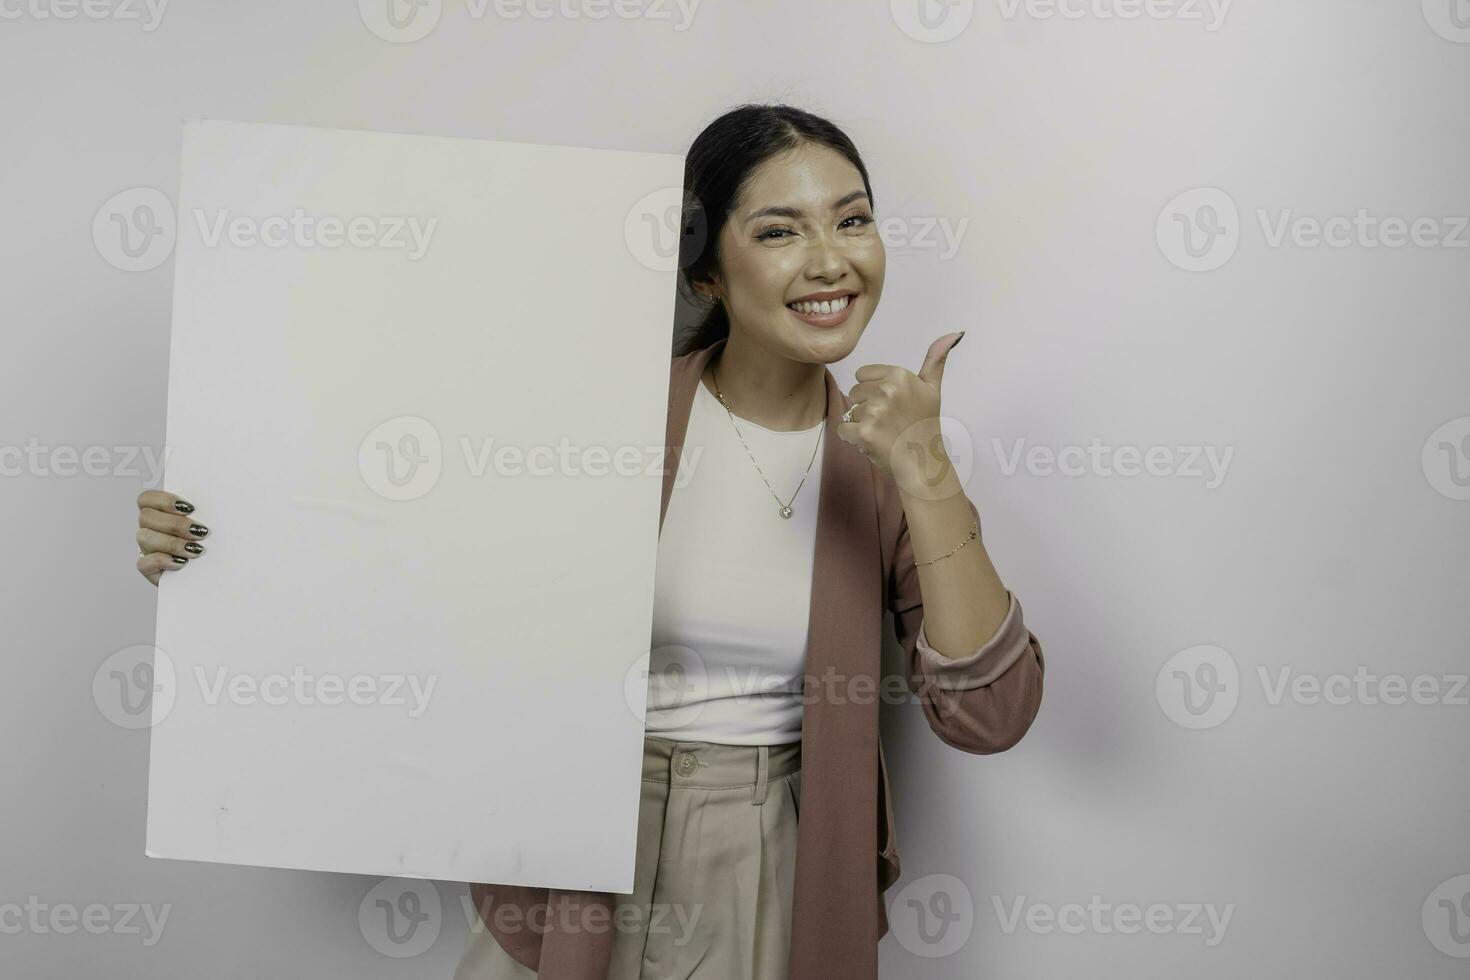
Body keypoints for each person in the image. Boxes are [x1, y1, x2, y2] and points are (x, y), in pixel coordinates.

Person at [135, 103, 1045, 980]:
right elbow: (403, 560)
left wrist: (925, 466)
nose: (828, 261)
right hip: (577, 833)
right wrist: (218, 550)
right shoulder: (595, 412)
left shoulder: (887, 458)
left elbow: (990, 715)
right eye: (778, 231)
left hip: (775, 854)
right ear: (706, 274)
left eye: (852, 221)